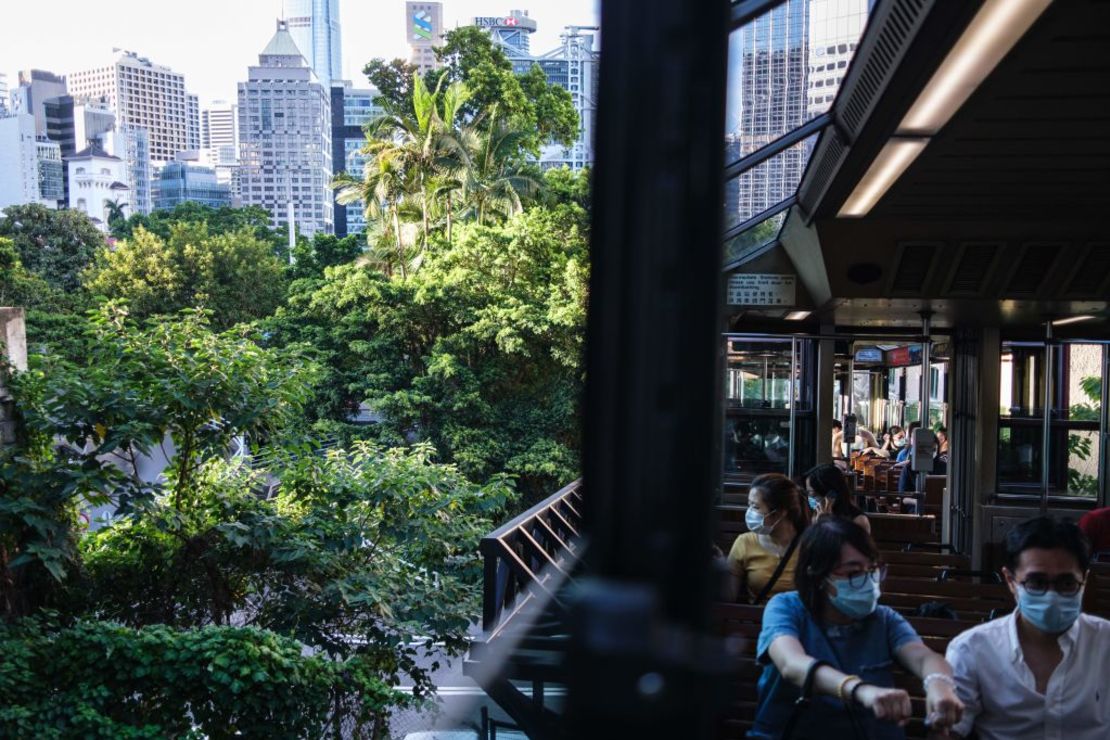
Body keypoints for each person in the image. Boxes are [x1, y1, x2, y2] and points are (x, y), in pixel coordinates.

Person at [750, 518, 963, 739]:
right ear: (818, 575)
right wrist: (860, 691)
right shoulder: (786, 608)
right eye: (853, 573)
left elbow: (923, 657)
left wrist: (939, 684)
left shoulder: (883, 619)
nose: (868, 582)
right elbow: (791, 663)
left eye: (872, 570)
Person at [942, 517, 1110, 740]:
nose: (1051, 596)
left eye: (1067, 584)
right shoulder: (972, 649)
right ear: (1010, 580)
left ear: (1084, 581)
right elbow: (949, 732)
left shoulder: (1105, 643)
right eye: (1037, 583)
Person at [726, 473, 809, 604]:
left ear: (780, 513)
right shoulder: (745, 542)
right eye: (749, 505)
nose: (749, 512)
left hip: (797, 621)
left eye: (755, 507)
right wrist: (718, 565)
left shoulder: (810, 545)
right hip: (757, 621)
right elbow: (728, 596)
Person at [805, 463, 871, 534]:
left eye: (812, 493)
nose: (809, 498)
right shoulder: (809, 515)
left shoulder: (858, 521)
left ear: (831, 495)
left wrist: (824, 525)